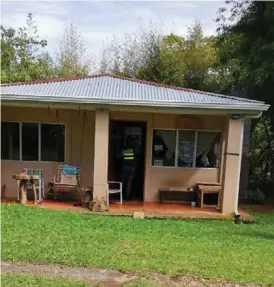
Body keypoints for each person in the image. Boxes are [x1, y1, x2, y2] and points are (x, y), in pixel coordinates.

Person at [121, 135, 140, 199]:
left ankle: (120, 195)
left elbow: (119, 156)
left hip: (125, 167)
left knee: (123, 181)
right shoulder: (134, 150)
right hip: (132, 168)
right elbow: (138, 154)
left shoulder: (125, 149)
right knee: (129, 182)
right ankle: (127, 196)